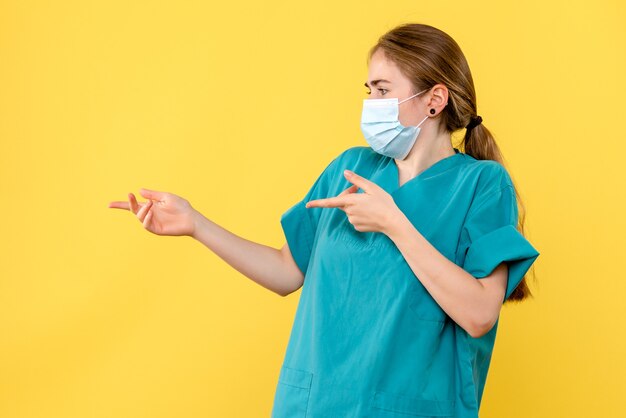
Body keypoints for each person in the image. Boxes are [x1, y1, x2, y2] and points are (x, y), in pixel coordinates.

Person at [109, 22, 540, 418]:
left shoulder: (481, 184)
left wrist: (394, 223)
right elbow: (285, 271)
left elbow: (480, 313)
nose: (370, 102)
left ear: (434, 100)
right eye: (368, 89)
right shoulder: (350, 168)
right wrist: (196, 224)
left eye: (382, 89)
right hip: (314, 404)